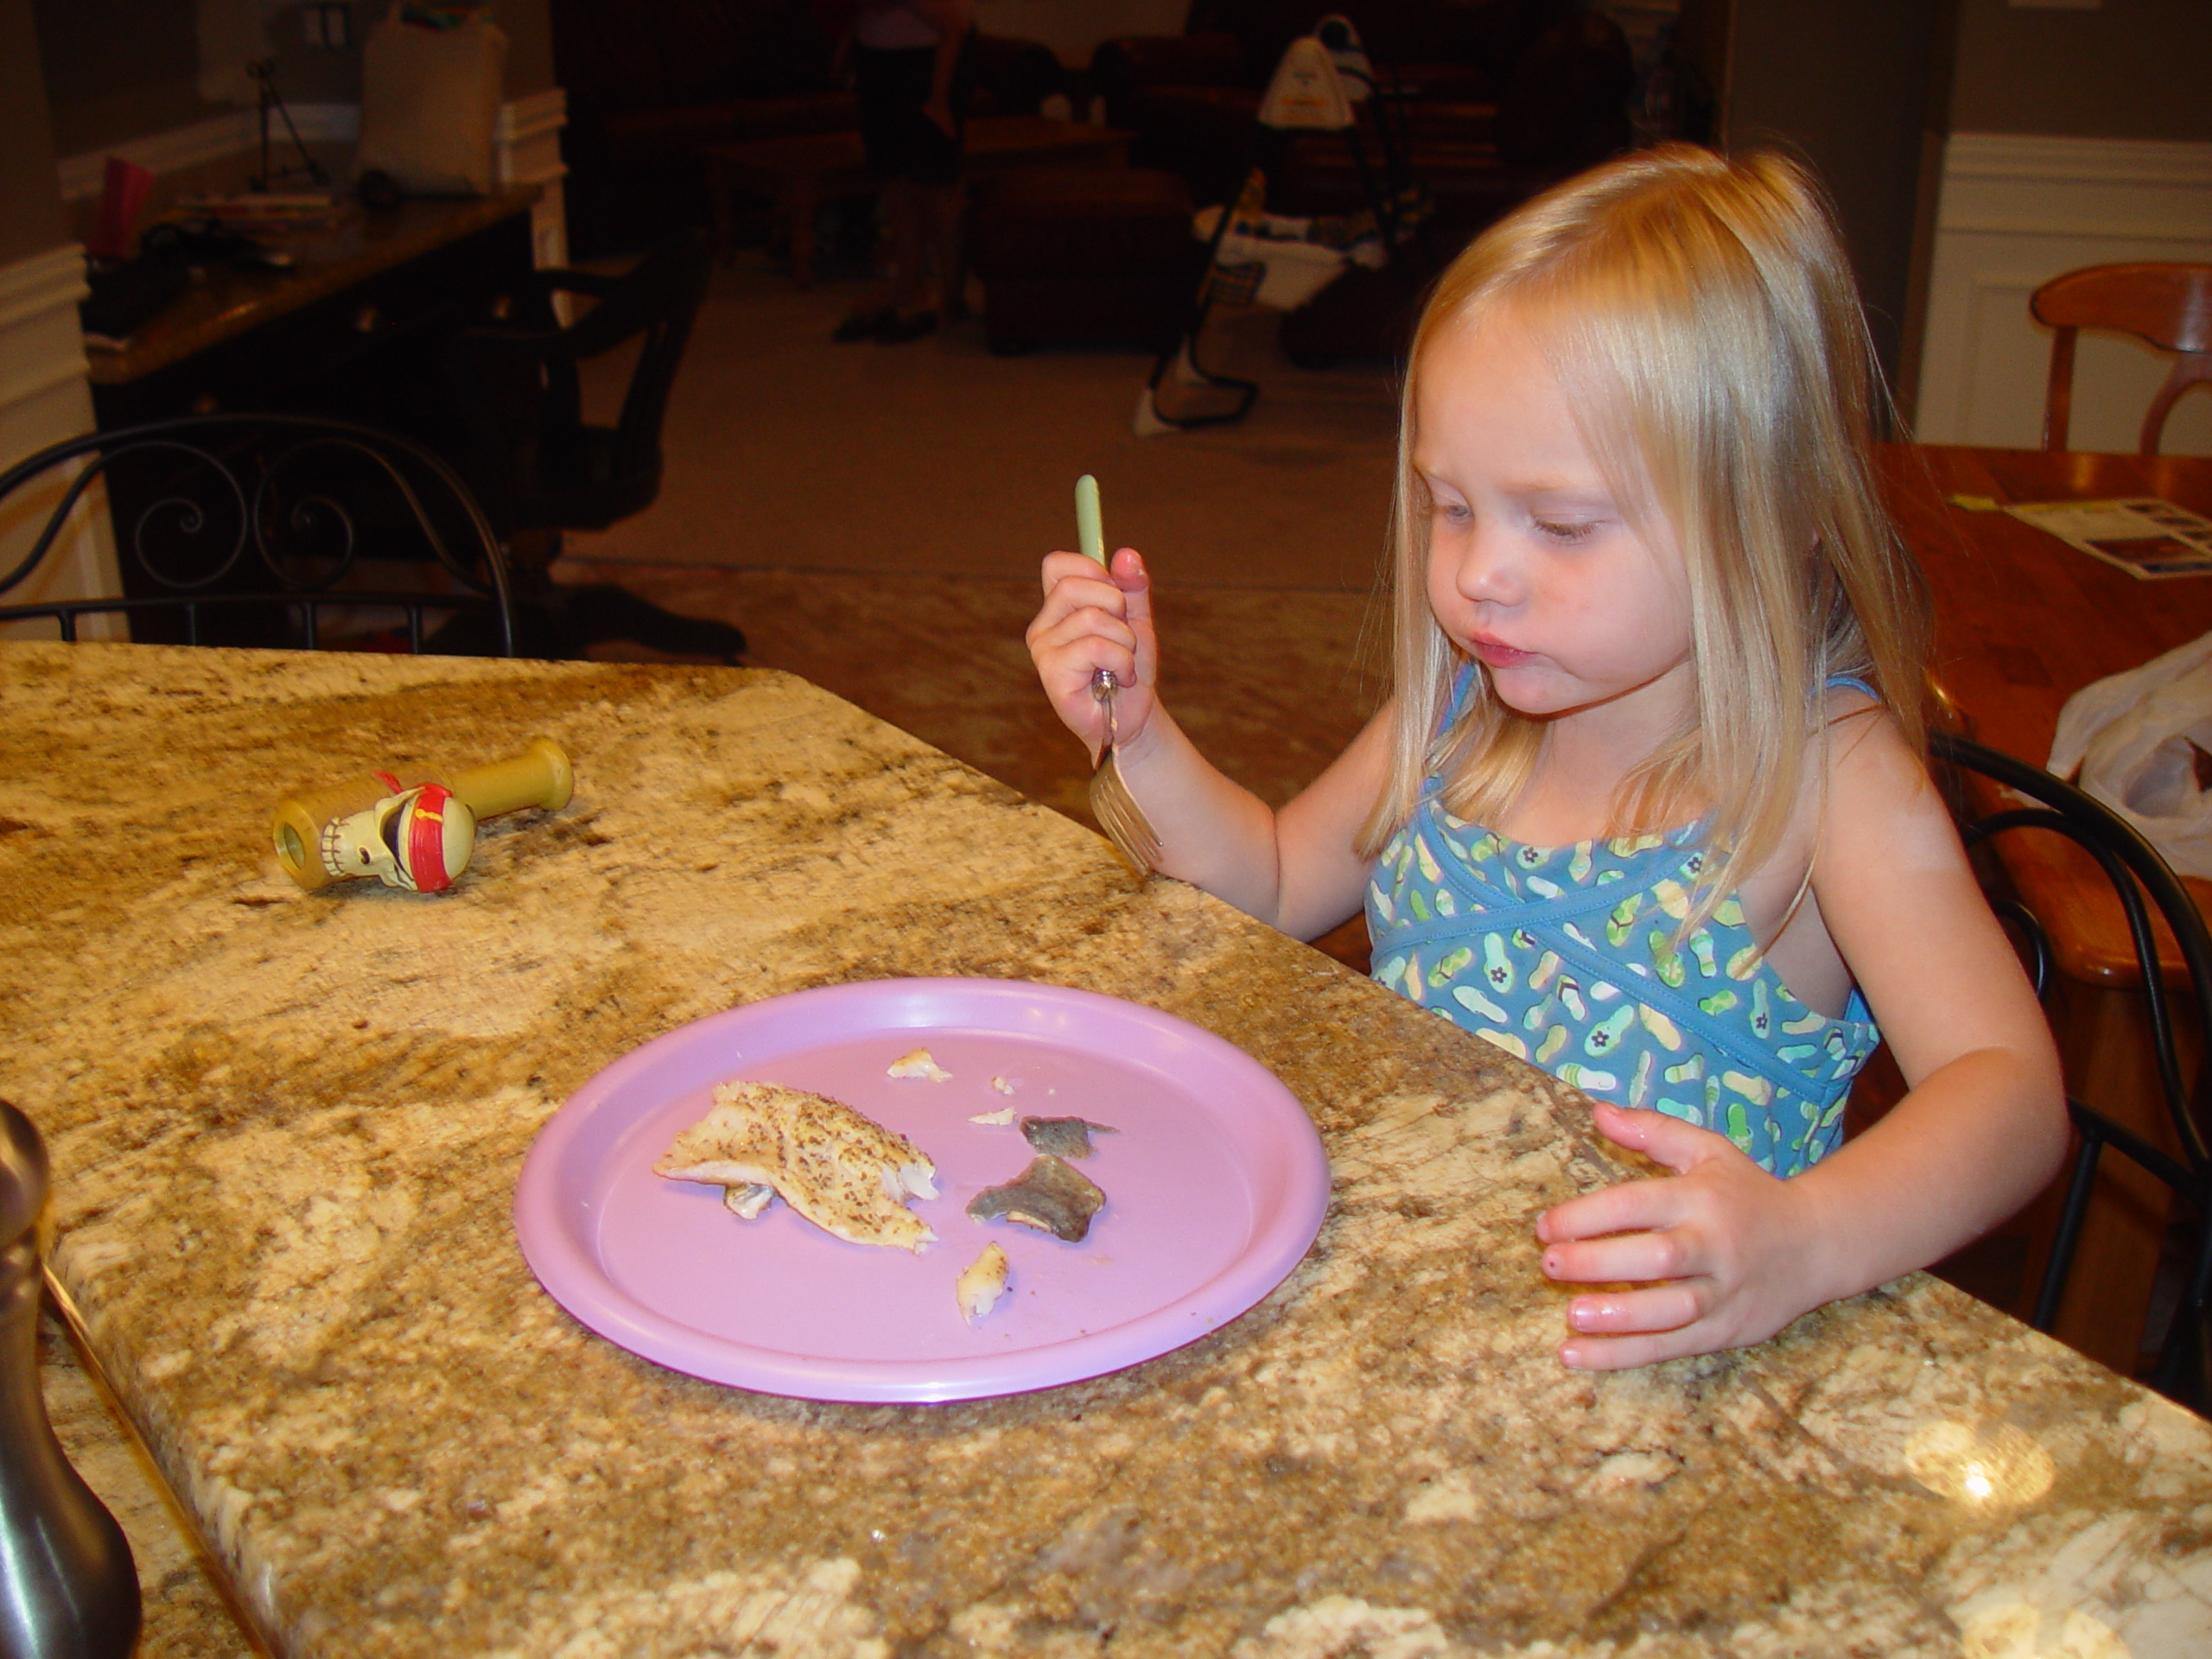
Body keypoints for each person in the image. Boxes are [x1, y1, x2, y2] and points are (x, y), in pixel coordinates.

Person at [1025, 145, 2067, 1371]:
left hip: (1656, 1369)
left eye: (1560, 525)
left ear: (1762, 518)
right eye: (1449, 504)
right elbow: (1261, 882)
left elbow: (2010, 1093)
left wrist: (1807, 1239)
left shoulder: (1830, 777)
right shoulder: (1462, 706)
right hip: (1407, 1315)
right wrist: (1135, 732)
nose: (1476, 575)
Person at [832, 0, 976, 344]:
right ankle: (909, 283)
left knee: (935, 180)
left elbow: (952, 29)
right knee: (893, 175)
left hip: (932, 57)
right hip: (878, 57)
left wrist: (938, 102)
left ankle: (953, 296)